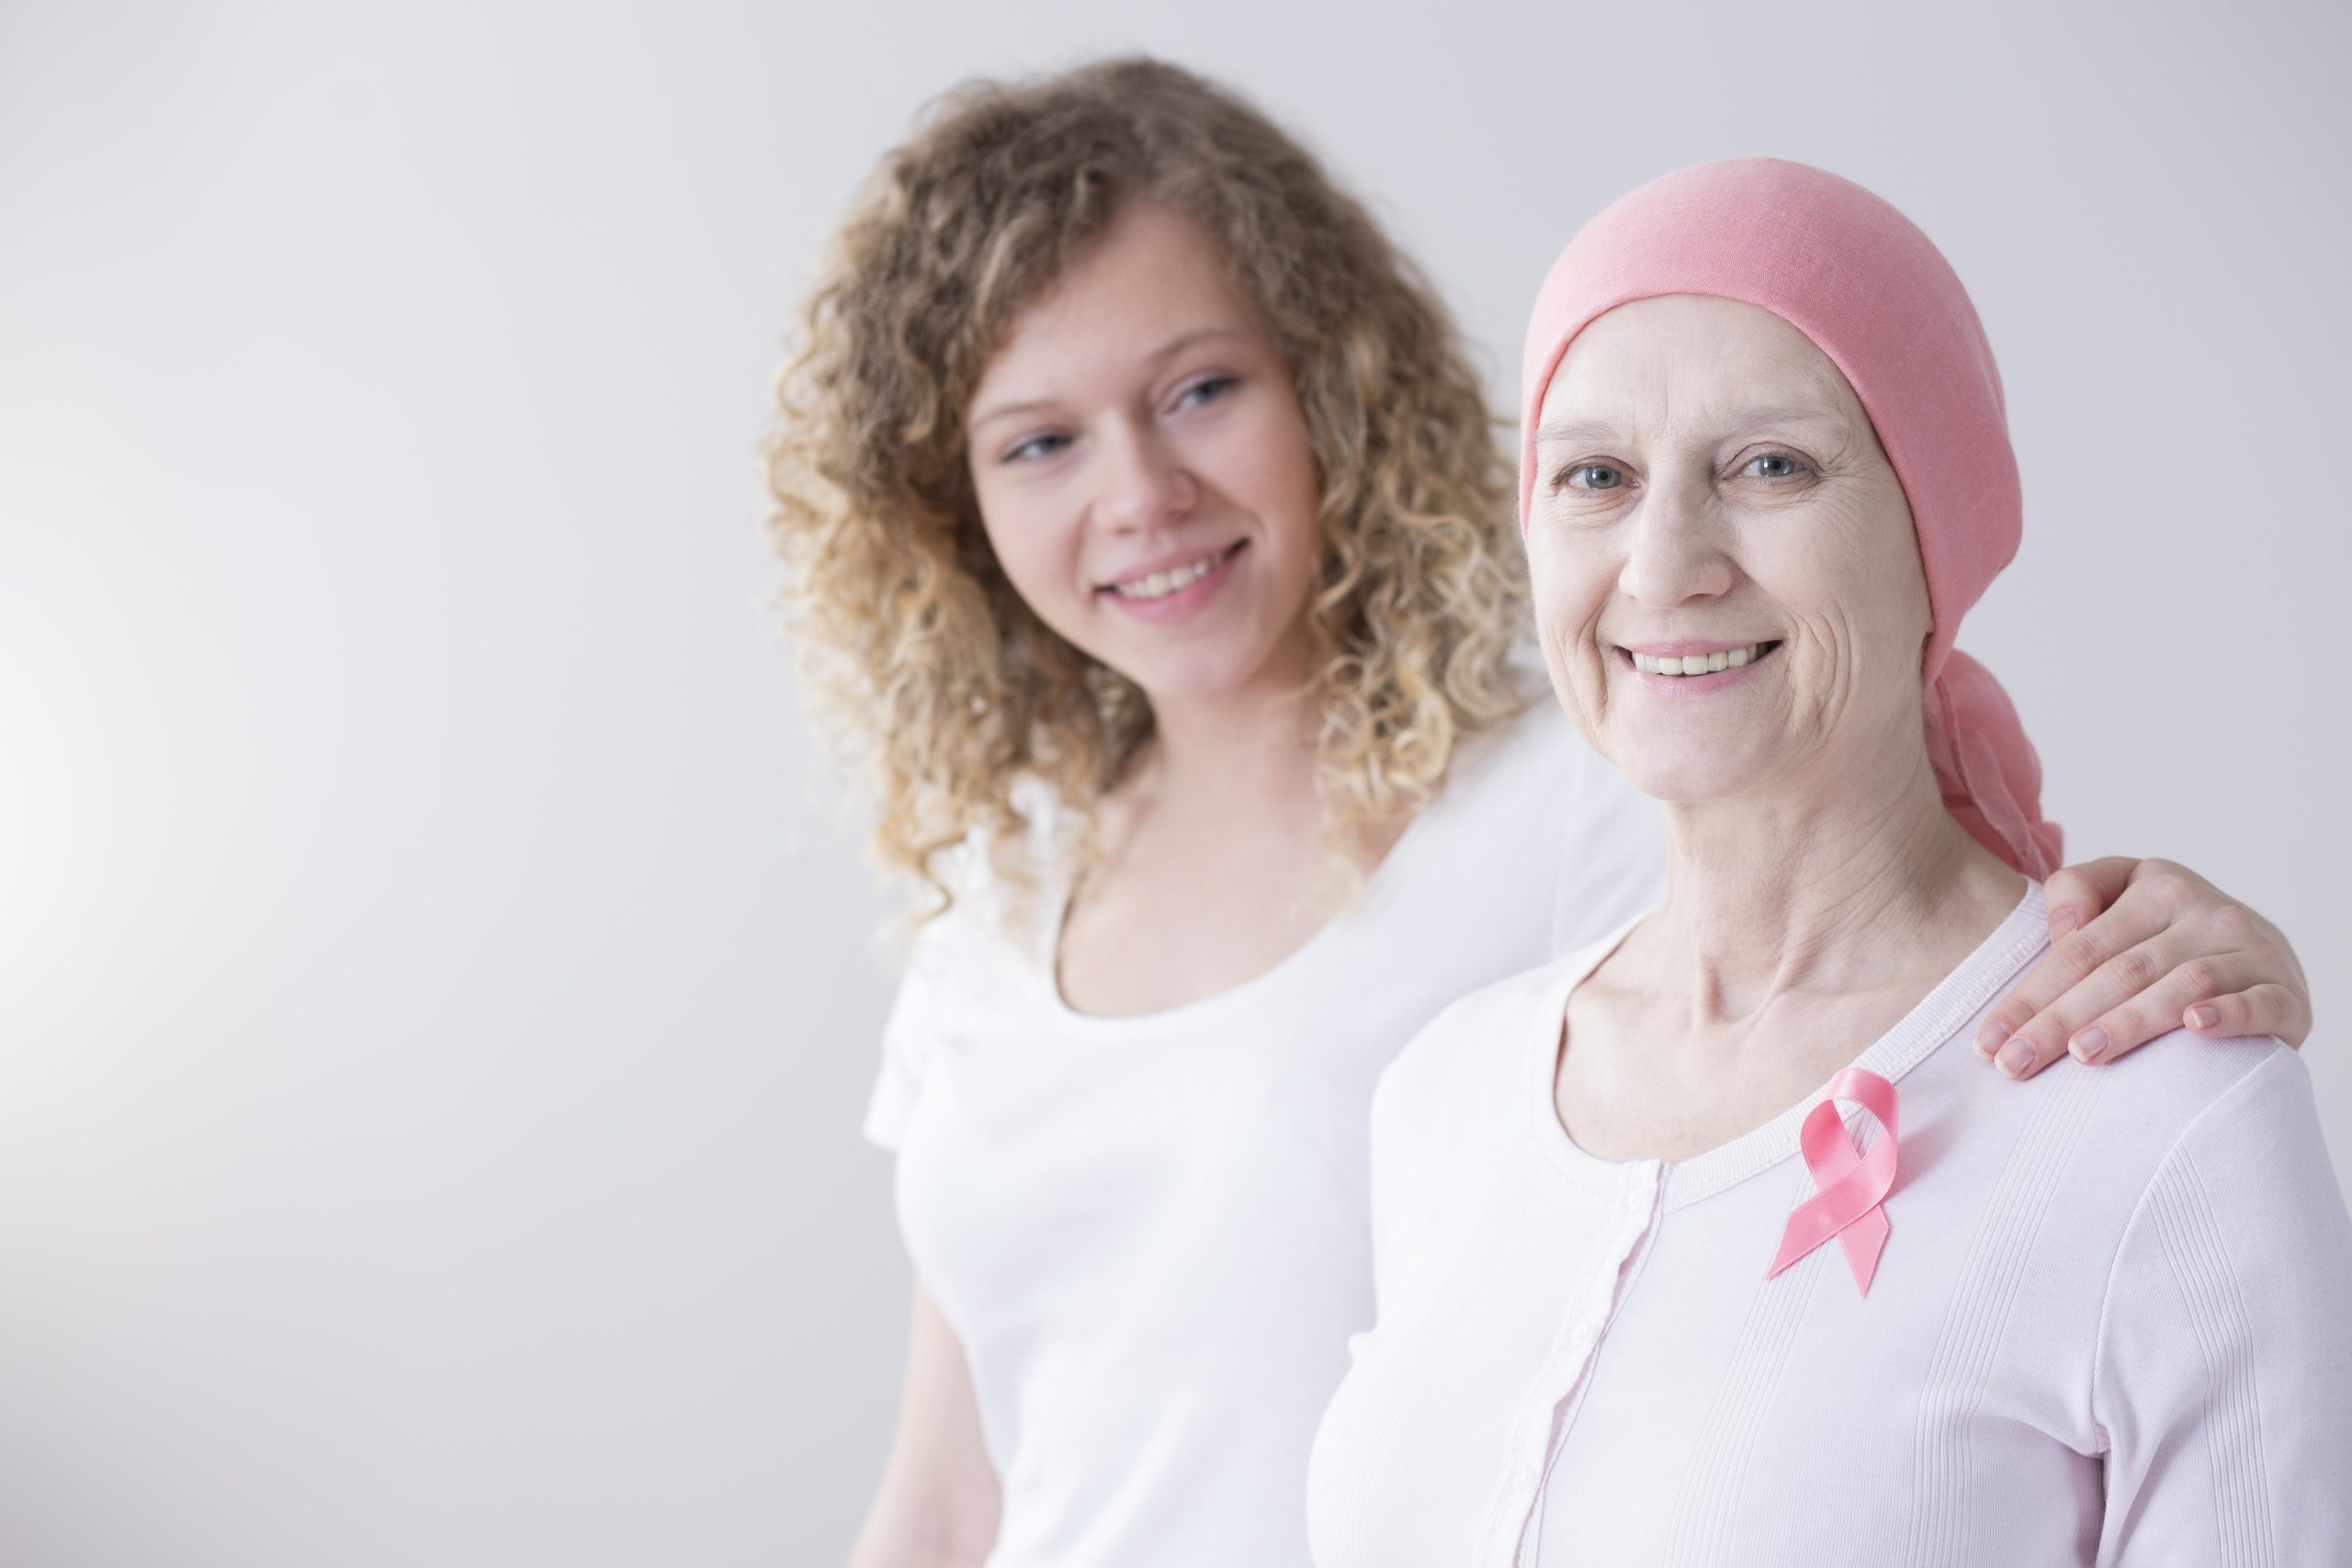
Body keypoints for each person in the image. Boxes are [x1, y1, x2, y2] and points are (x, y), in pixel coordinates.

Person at [764, 61, 2315, 1568]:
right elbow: (951, 1491)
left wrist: (2188, 982)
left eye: (1202, 389)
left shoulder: (1593, 794)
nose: (1141, 491)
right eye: (1039, 439)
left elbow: (1899, 954)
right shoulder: (1013, 902)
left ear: (1332, 386)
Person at [1304, 158, 2352, 1566]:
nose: (1666, 563)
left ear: (1938, 534)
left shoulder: (2159, 1116)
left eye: (1771, 467)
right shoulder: (1446, 1098)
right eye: (1596, 477)